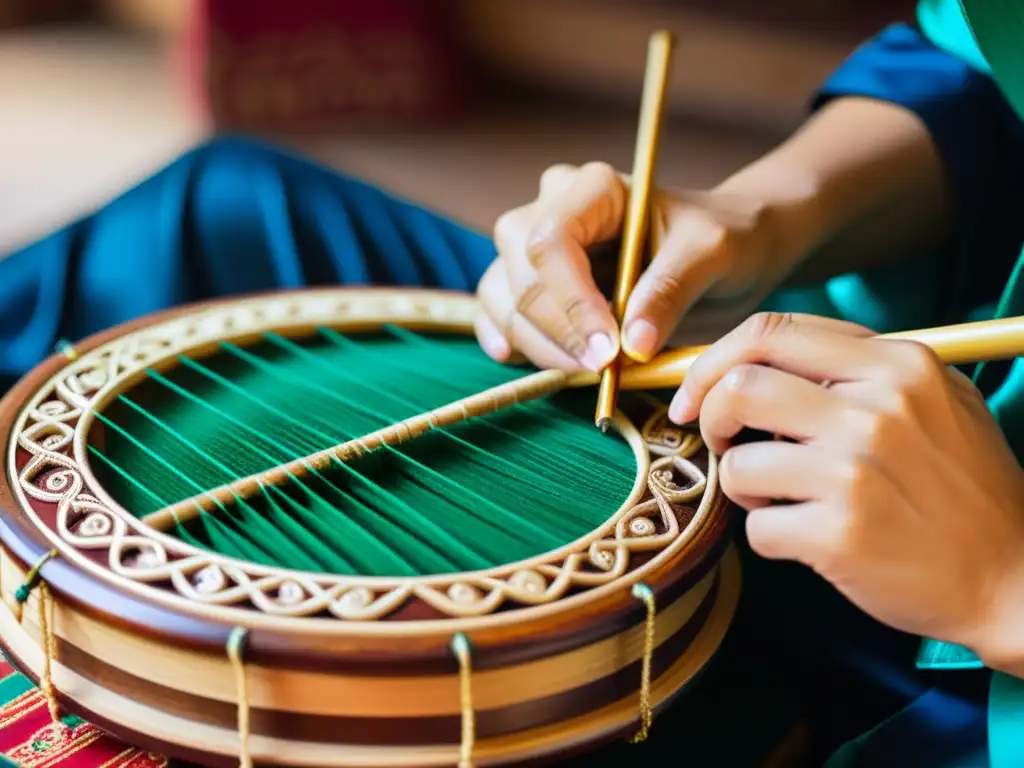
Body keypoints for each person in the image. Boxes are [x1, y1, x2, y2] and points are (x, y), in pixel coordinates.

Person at [1, 0, 1023, 764]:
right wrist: (758, 217)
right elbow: (987, 74)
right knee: (225, 211)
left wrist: (999, 585)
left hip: (963, 688)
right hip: (802, 422)